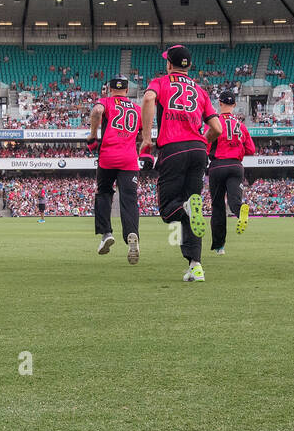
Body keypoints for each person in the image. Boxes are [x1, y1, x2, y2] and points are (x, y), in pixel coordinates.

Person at [139, 45, 221, 282]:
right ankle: (195, 265)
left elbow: (147, 98)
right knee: (192, 207)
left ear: (168, 64)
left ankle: (186, 209)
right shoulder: (200, 90)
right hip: (198, 149)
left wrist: (146, 138)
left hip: (173, 148)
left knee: (168, 211)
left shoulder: (161, 82)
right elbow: (217, 128)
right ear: (190, 66)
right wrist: (201, 144)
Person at [89, 75, 142, 264]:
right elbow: (142, 134)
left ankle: (106, 233)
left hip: (108, 156)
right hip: (129, 159)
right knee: (129, 199)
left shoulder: (106, 102)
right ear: (127, 91)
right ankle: (132, 234)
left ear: (109, 89)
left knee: (104, 192)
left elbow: (96, 112)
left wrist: (92, 136)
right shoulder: (137, 109)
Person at [207, 90, 256, 255]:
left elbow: (205, 145)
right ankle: (240, 208)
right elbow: (251, 149)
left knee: (218, 206)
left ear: (219, 103)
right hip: (235, 165)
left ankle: (219, 246)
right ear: (234, 105)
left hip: (217, 165)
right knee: (234, 200)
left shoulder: (214, 123)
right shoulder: (241, 125)